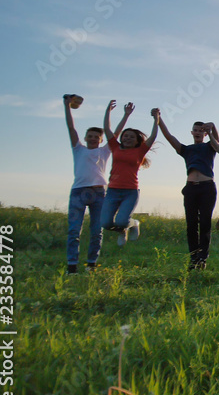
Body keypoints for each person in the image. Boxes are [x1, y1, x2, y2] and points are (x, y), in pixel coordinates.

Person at [63, 95, 130, 273]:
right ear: (85, 137)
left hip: (99, 193)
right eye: (90, 136)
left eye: (96, 137)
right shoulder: (78, 149)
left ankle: (91, 264)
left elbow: (114, 133)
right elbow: (71, 127)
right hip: (78, 192)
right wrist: (67, 106)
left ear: (100, 140)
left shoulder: (105, 150)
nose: (92, 138)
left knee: (96, 232)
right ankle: (72, 266)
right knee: (74, 231)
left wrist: (122, 114)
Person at [157, 115, 219, 270]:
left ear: (205, 133)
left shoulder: (209, 147)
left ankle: (203, 258)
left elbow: (217, 141)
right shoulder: (186, 149)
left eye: (201, 130)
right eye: (195, 130)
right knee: (191, 224)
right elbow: (169, 136)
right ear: (192, 132)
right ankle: (193, 258)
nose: (198, 132)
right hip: (191, 188)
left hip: (207, 188)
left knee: (205, 223)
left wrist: (213, 127)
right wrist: (159, 119)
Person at [101, 101, 157, 246]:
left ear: (137, 141)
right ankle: (122, 230)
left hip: (130, 192)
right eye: (125, 136)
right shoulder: (115, 147)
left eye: (131, 137)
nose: (127, 138)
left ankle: (133, 224)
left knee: (121, 220)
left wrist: (156, 119)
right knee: (106, 223)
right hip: (113, 190)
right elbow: (106, 128)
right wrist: (110, 112)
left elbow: (152, 137)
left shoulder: (140, 151)